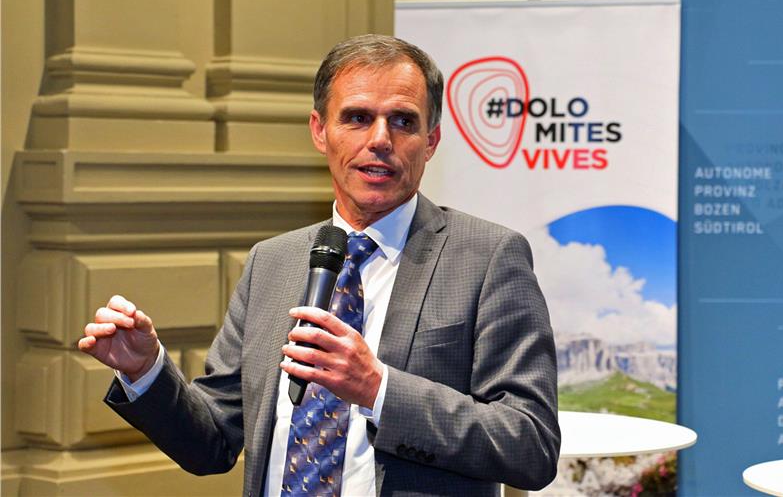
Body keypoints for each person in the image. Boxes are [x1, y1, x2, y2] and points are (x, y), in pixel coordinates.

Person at [79, 34, 560, 497]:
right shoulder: (272, 262)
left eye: (402, 121)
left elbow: (531, 446)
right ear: (319, 130)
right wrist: (146, 371)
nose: (380, 139)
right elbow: (212, 442)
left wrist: (378, 390)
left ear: (430, 141)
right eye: (357, 118)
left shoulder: (487, 257)